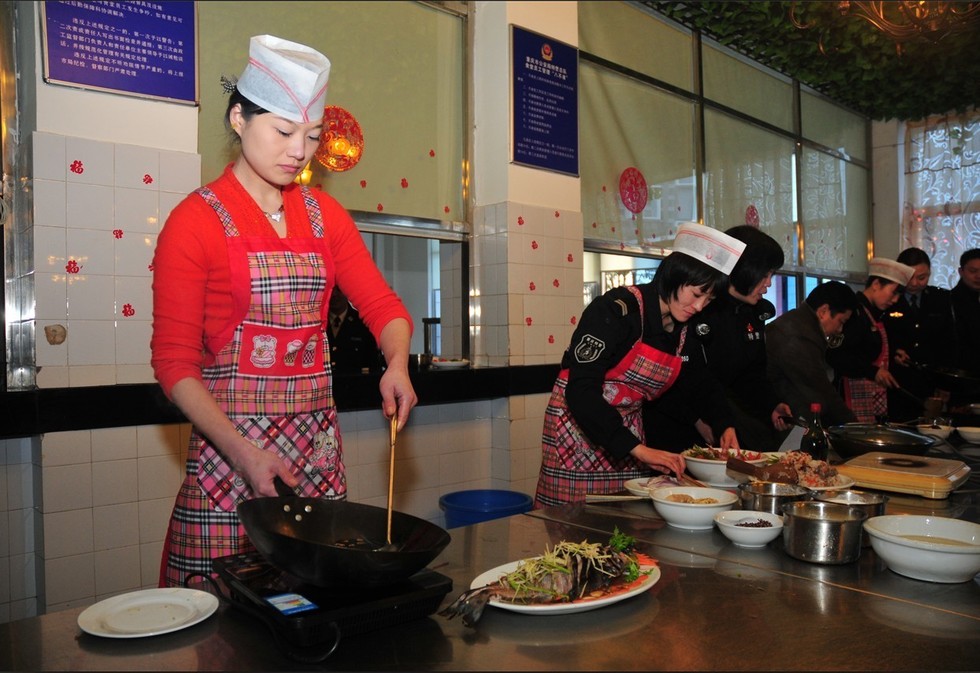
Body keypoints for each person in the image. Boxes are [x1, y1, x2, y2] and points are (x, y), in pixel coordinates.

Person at [150, 35, 417, 588]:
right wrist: (244, 453)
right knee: (225, 627)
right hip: (230, 459)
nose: (300, 150)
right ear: (239, 118)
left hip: (316, 454)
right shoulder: (195, 221)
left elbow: (383, 306)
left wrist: (397, 362)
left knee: (317, 609)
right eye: (284, 131)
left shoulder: (325, 216)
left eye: (312, 136)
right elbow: (174, 364)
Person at [534, 223, 747, 507]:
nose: (699, 307)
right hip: (578, 433)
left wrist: (724, 423)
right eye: (696, 294)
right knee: (571, 529)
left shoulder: (683, 327)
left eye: (708, 300)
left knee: (625, 525)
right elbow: (581, 390)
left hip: (629, 438)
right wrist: (638, 449)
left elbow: (699, 381)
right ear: (674, 276)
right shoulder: (614, 310)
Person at [644, 225, 793, 452]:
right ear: (743, 268)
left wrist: (770, 405)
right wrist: (698, 420)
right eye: (765, 274)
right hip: (672, 430)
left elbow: (750, 375)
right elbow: (677, 378)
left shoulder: (750, 313)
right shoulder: (691, 309)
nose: (769, 283)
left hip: (721, 426)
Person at [826, 258, 915, 424]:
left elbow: (866, 347)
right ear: (876, 284)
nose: (895, 300)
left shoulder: (873, 313)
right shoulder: (855, 313)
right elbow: (836, 355)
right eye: (893, 292)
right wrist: (873, 371)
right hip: (848, 397)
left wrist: (894, 352)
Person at [766, 281, 860, 428]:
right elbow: (821, 389)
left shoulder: (800, 326)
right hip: (781, 422)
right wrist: (855, 428)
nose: (840, 329)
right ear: (823, 312)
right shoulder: (797, 335)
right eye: (841, 321)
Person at [882, 247, 957, 421]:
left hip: (930, 379)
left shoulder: (941, 299)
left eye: (922, 277)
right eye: (909, 277)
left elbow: (949, 343)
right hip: (897, 381)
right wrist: (893, 352)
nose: (915, 283)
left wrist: (945, 384)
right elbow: (879, 337)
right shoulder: (888, 298)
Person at [328, 286, 382, 374]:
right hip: (325, 384)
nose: (334, 294)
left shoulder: (364, 323)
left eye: (338, 290)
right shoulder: (316, 322)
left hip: (356, 384)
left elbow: (373, 364)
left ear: (347, 292)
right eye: (330, 290)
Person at [951, 248, 980, 379]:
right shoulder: (950, 300)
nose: (978, 276)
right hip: (963, 374)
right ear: (961, 271)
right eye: (973, 271)